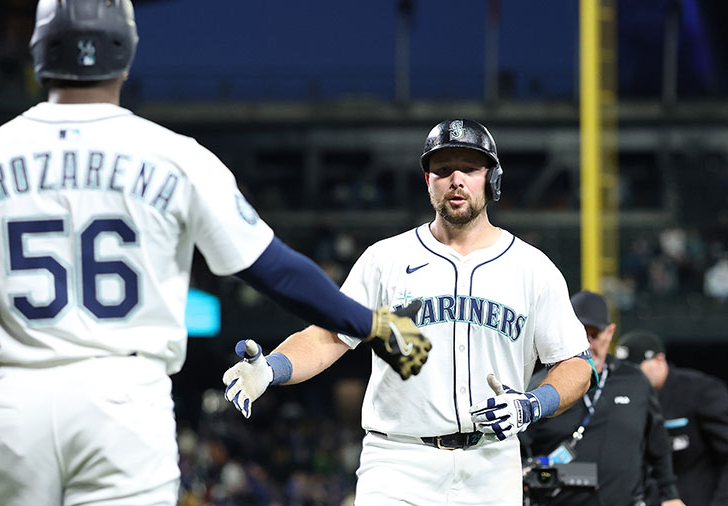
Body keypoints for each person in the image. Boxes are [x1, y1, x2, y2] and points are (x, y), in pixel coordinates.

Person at [0, 1, 429, 505]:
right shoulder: (175, 155)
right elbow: (278, 271)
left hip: (17, 405)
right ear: (126, 49)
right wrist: (372, 324)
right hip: (126, 404)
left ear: (39, 49)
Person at [223, 119, 595, 505]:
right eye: (443, 169)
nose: (456, 179)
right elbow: (328, 336)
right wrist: (273, 368)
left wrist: (532, 404)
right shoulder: (387, 259)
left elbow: (576, 365)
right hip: (399, 462)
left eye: (469, 168)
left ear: (492, 178)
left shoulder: (532, 268)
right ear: (427, 179)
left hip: (492, 464)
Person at [520, 290, 684, 506]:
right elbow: (518, 446)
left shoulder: (635, 381)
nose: (587, 343)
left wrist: (670, 495)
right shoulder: (543, 386)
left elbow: (658, 443)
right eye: (580, 333)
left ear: (610, 332)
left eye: (594, 334)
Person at [618, 330, 728, 506]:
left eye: (638, 369)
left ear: (659, 360)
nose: (633, 378)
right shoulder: (626, 400)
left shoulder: (699, 391)